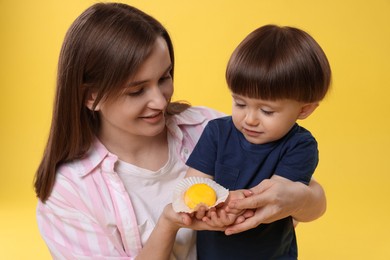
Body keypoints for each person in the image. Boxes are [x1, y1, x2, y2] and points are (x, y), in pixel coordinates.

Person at [33, 3, 326, 259]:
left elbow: (303, 196)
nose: (161, 101)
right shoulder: (69, 192)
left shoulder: (208, 127)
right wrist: (169, 223)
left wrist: (297, 199)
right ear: (91, 97)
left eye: (165, 77)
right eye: (136, 91)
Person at [185, 24, 331, 259]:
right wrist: (207, 206)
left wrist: (229, 204)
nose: (249, 119)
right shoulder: (216, 132)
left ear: (304, 109)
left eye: (266, 111)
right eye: (240, 103)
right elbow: (193, 184)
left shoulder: (300, 146)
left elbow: (273, 196)